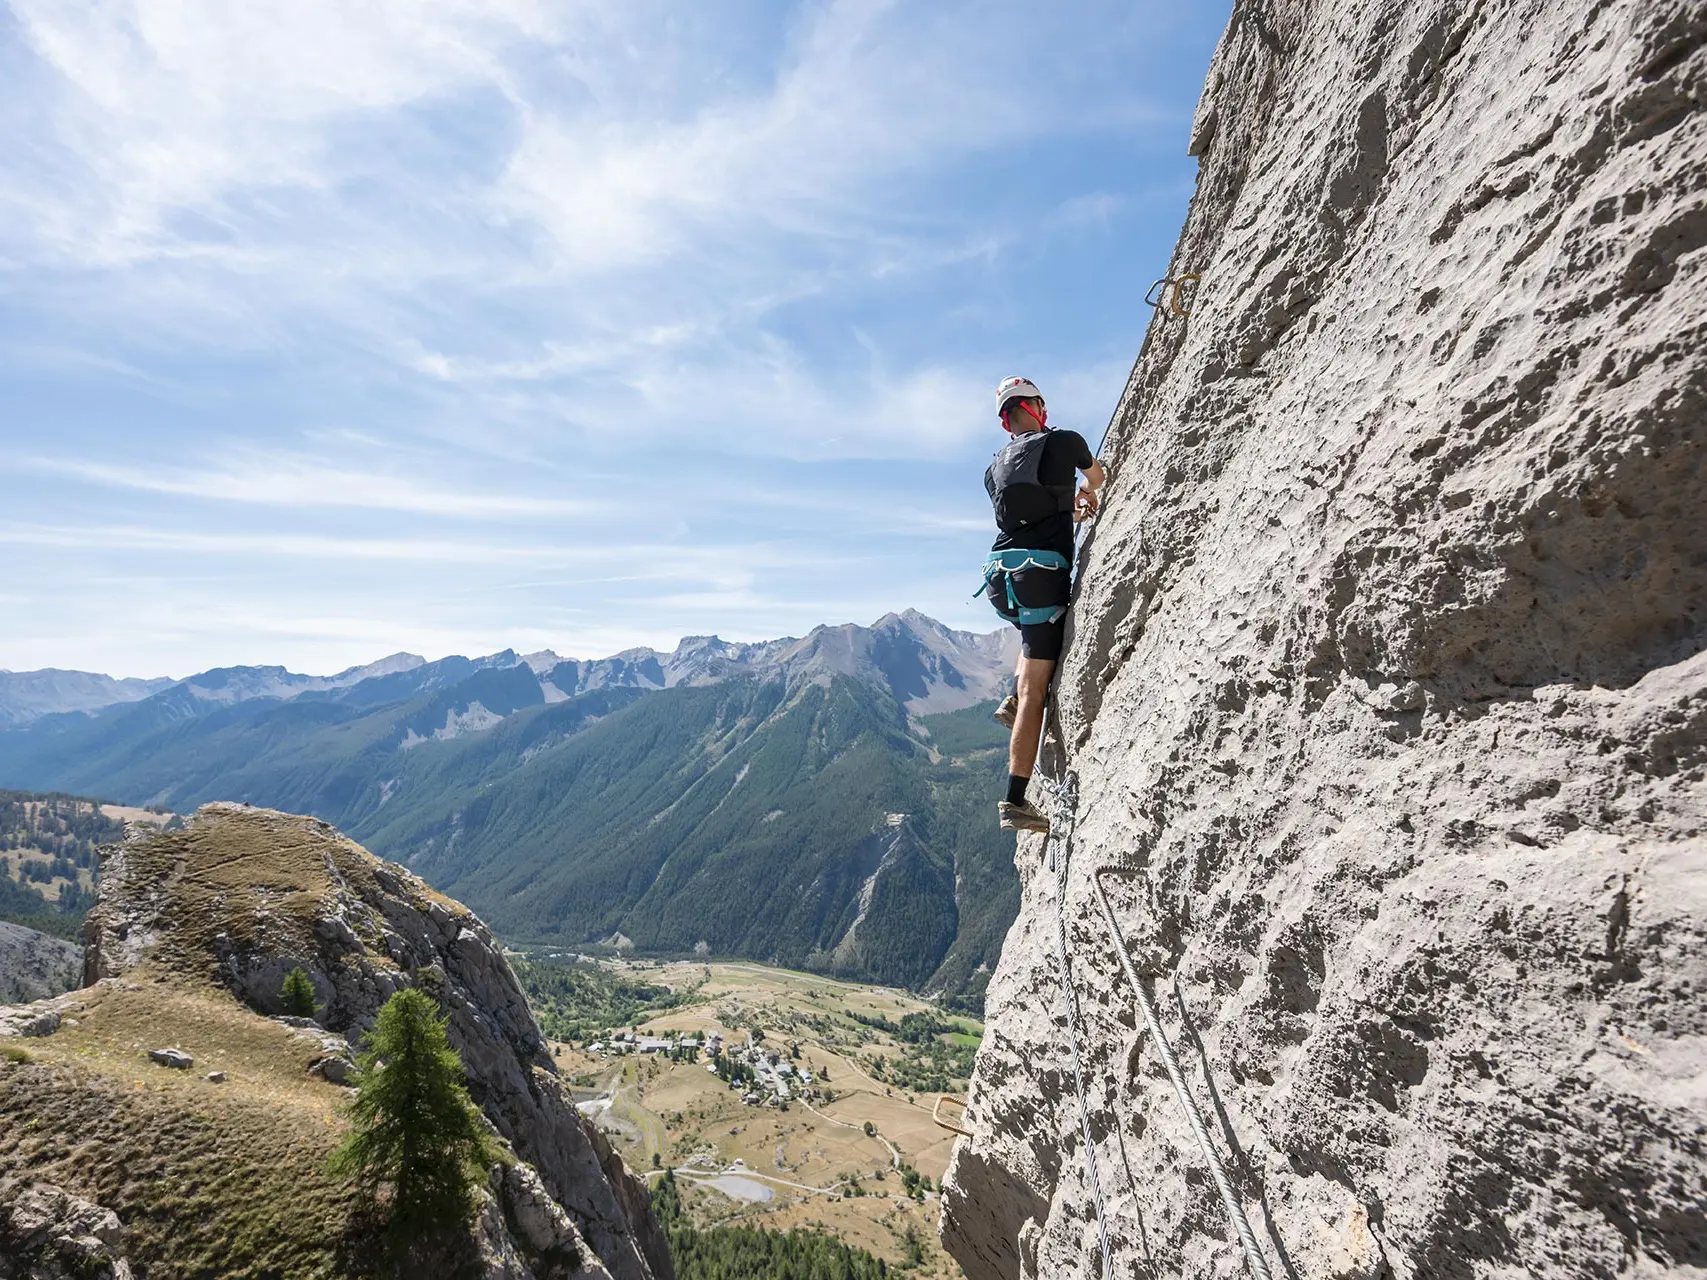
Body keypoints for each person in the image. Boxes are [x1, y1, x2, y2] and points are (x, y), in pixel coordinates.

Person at [980, 376, 1105, 834]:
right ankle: (1014, 801)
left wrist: (1071, 510)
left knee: (1032, 638)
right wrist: (1088, 491)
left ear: (1005, 421)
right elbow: (1098, 476)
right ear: (1037, 407)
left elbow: (1032, 517)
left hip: (1001, 577)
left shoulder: (993, 469)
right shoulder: (1065, 441)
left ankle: (1013, 699)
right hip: (1040, 575)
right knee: (1038, 694)